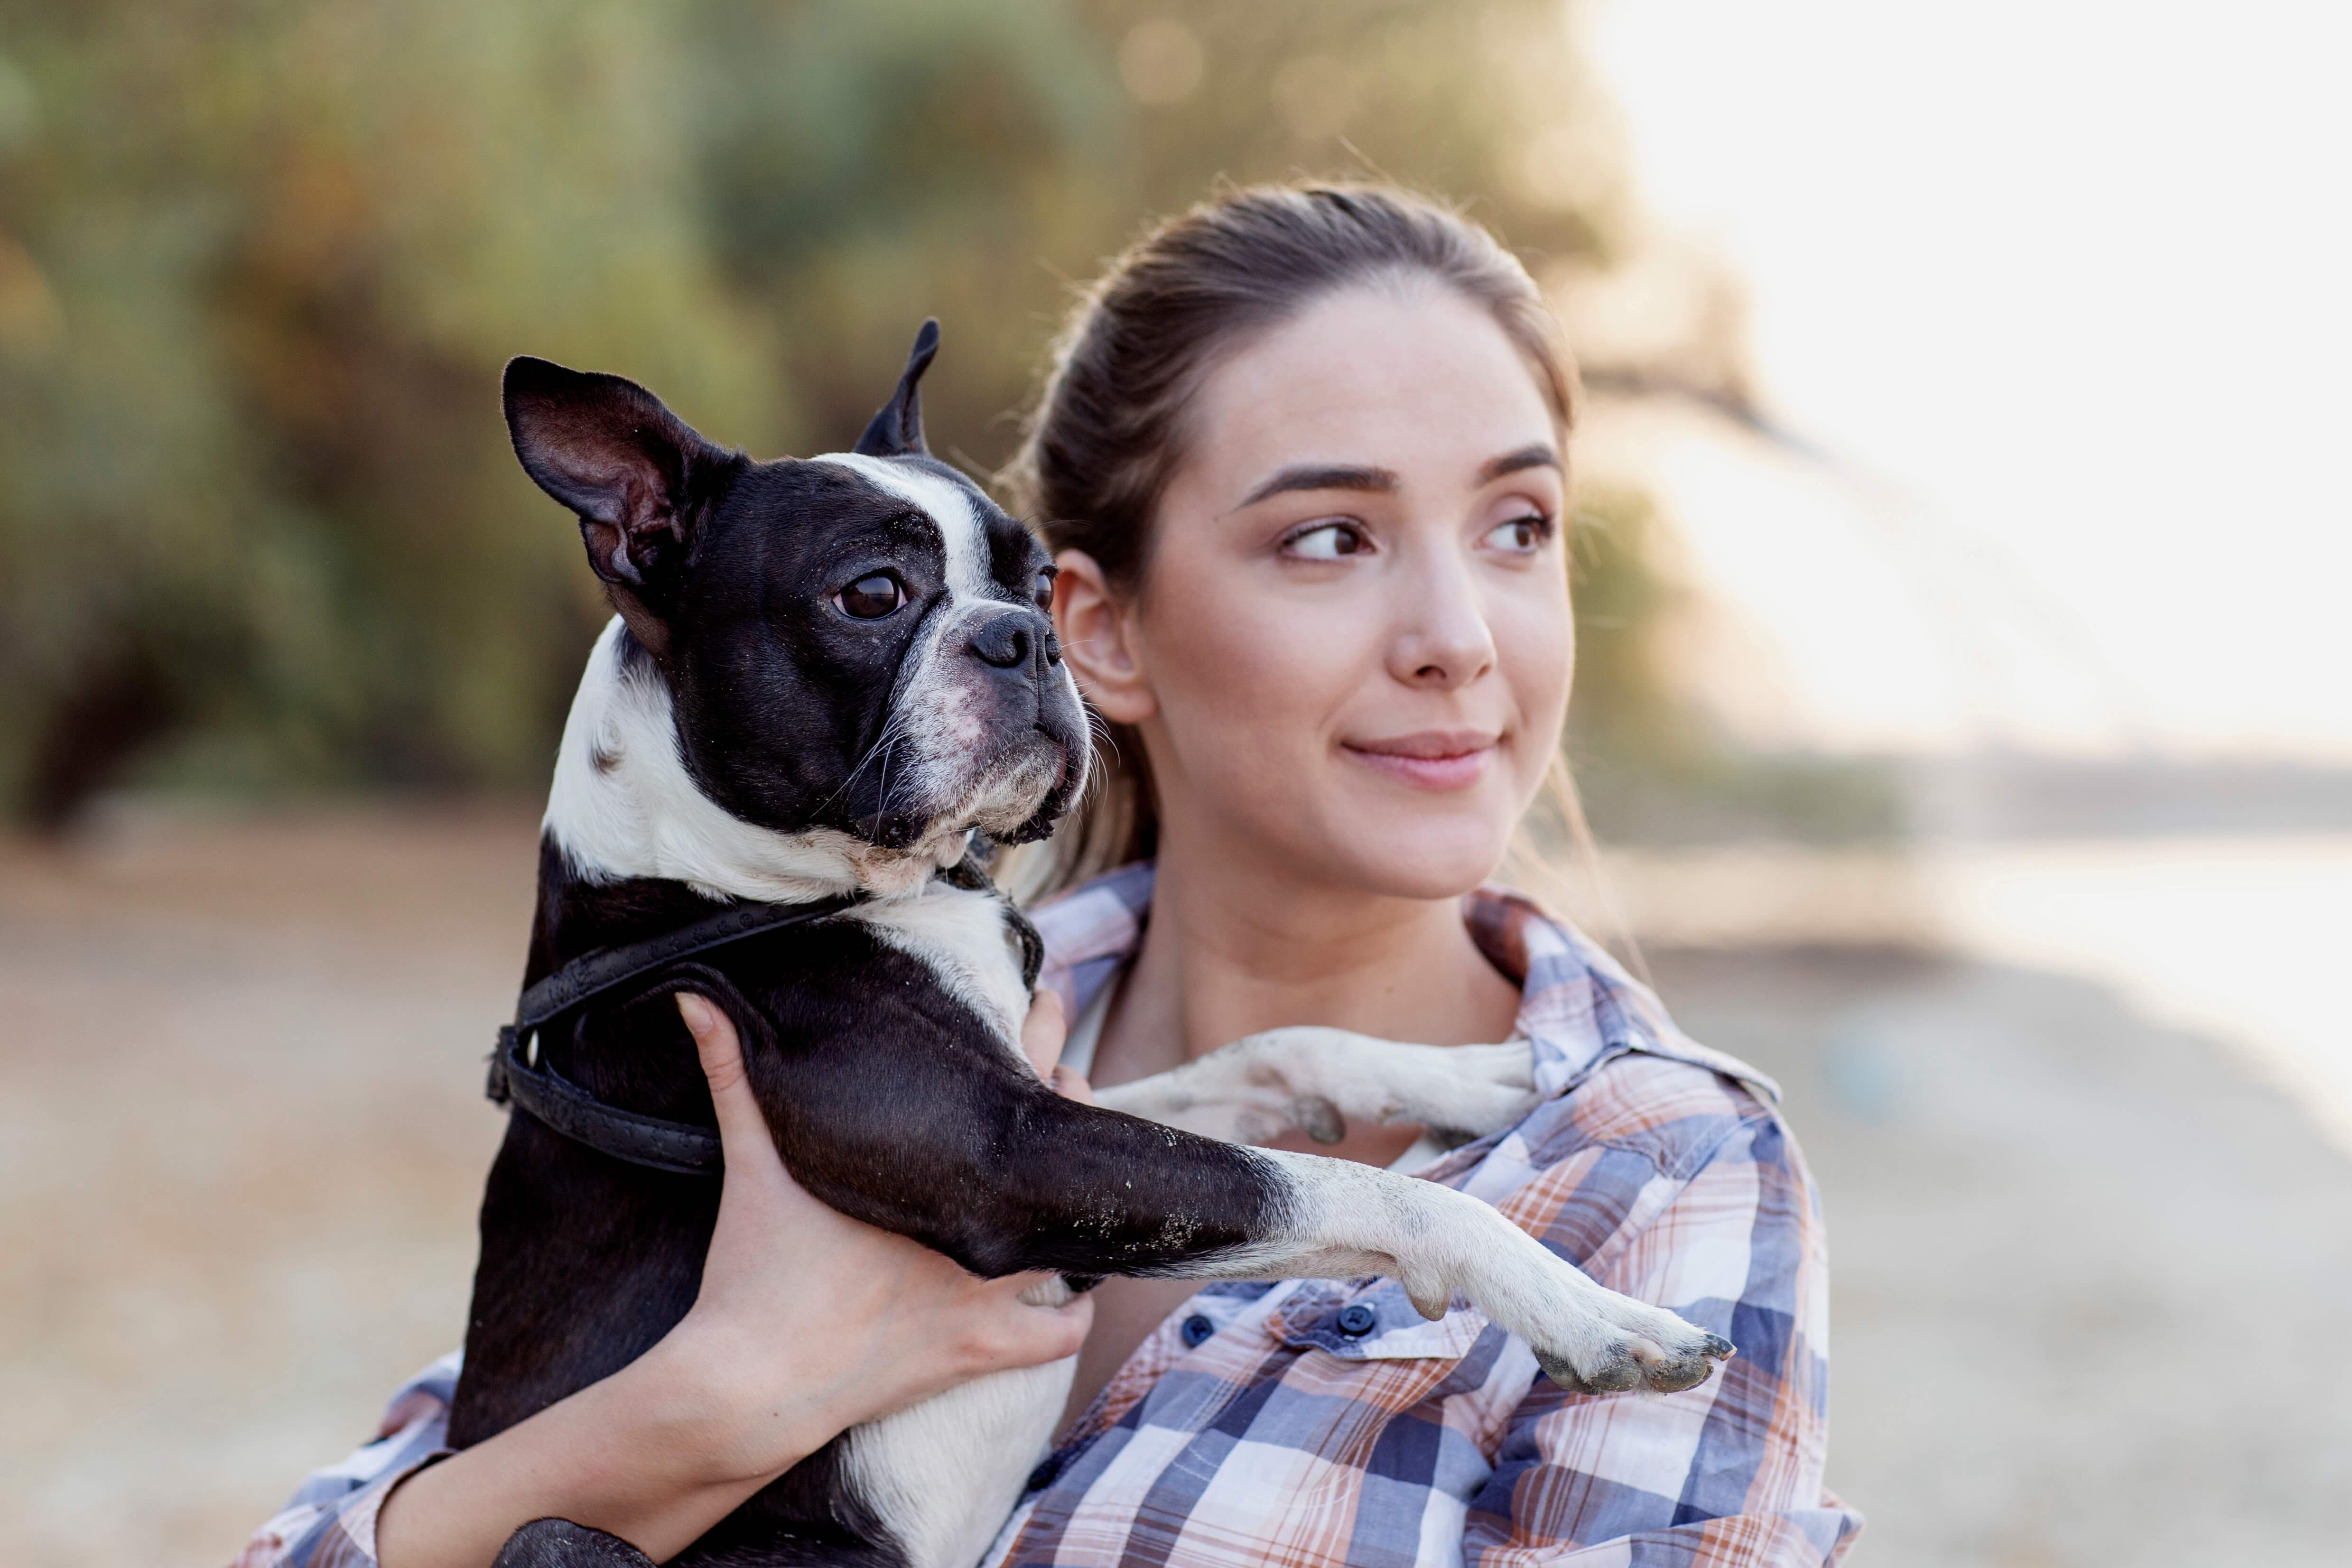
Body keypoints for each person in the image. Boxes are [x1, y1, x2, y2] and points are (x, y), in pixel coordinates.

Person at [237, 183, 1860, 1568]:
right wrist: (703, 1409)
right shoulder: (820, 1009)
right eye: (1330, 539)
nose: (1454, 637)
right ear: (1105, 631)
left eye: (1519, 525)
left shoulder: (1656, 1169)